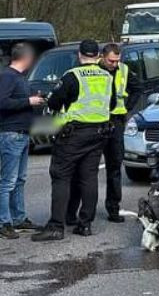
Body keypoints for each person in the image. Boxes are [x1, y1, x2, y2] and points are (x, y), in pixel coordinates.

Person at [33, 40, 115, 241]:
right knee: (89, 177)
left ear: (79, 55)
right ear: (98, 56)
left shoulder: (72, 76)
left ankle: (56, 226)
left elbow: (54, 101)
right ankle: (85, 224)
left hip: (74, 133)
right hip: (98, 133)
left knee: (61, 176)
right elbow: (112, 103)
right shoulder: (107, 76)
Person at [0, 43, 45, 239]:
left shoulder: (20, 78)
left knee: (20, 179)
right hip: (11, 133)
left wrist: (35, 101)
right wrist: (28, 101)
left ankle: (19, 218)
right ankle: (4, 223)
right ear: (24, 58)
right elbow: (2, 103)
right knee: (8, 181)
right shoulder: (8, 76)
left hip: (23, 133)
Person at [97, 43, 139, 222]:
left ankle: (113, 208)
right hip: (96, 121)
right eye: (111, 61)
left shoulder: (125, 70)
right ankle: (84, 210)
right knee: (88, 168)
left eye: (117, 61)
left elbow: (137, 89)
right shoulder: (94, 70)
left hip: (116, 121)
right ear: (102, 57)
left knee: (114, 167)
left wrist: (127, 108)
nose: (114, 64)